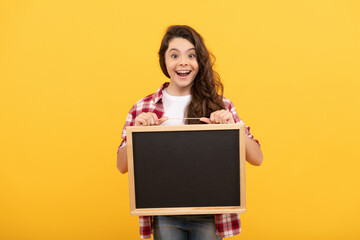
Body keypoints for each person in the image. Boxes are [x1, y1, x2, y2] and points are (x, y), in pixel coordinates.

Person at [117, 25, 263, 240]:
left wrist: (232, 128)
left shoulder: (219, 105)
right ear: (164, 61)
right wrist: (137, 134)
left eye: (191, 55)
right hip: (164, 213)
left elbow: (257, 158)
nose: (183, 62)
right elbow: (122, 166)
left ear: (199, 62)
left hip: (210, 213)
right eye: (174, 55)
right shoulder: (143, 107)